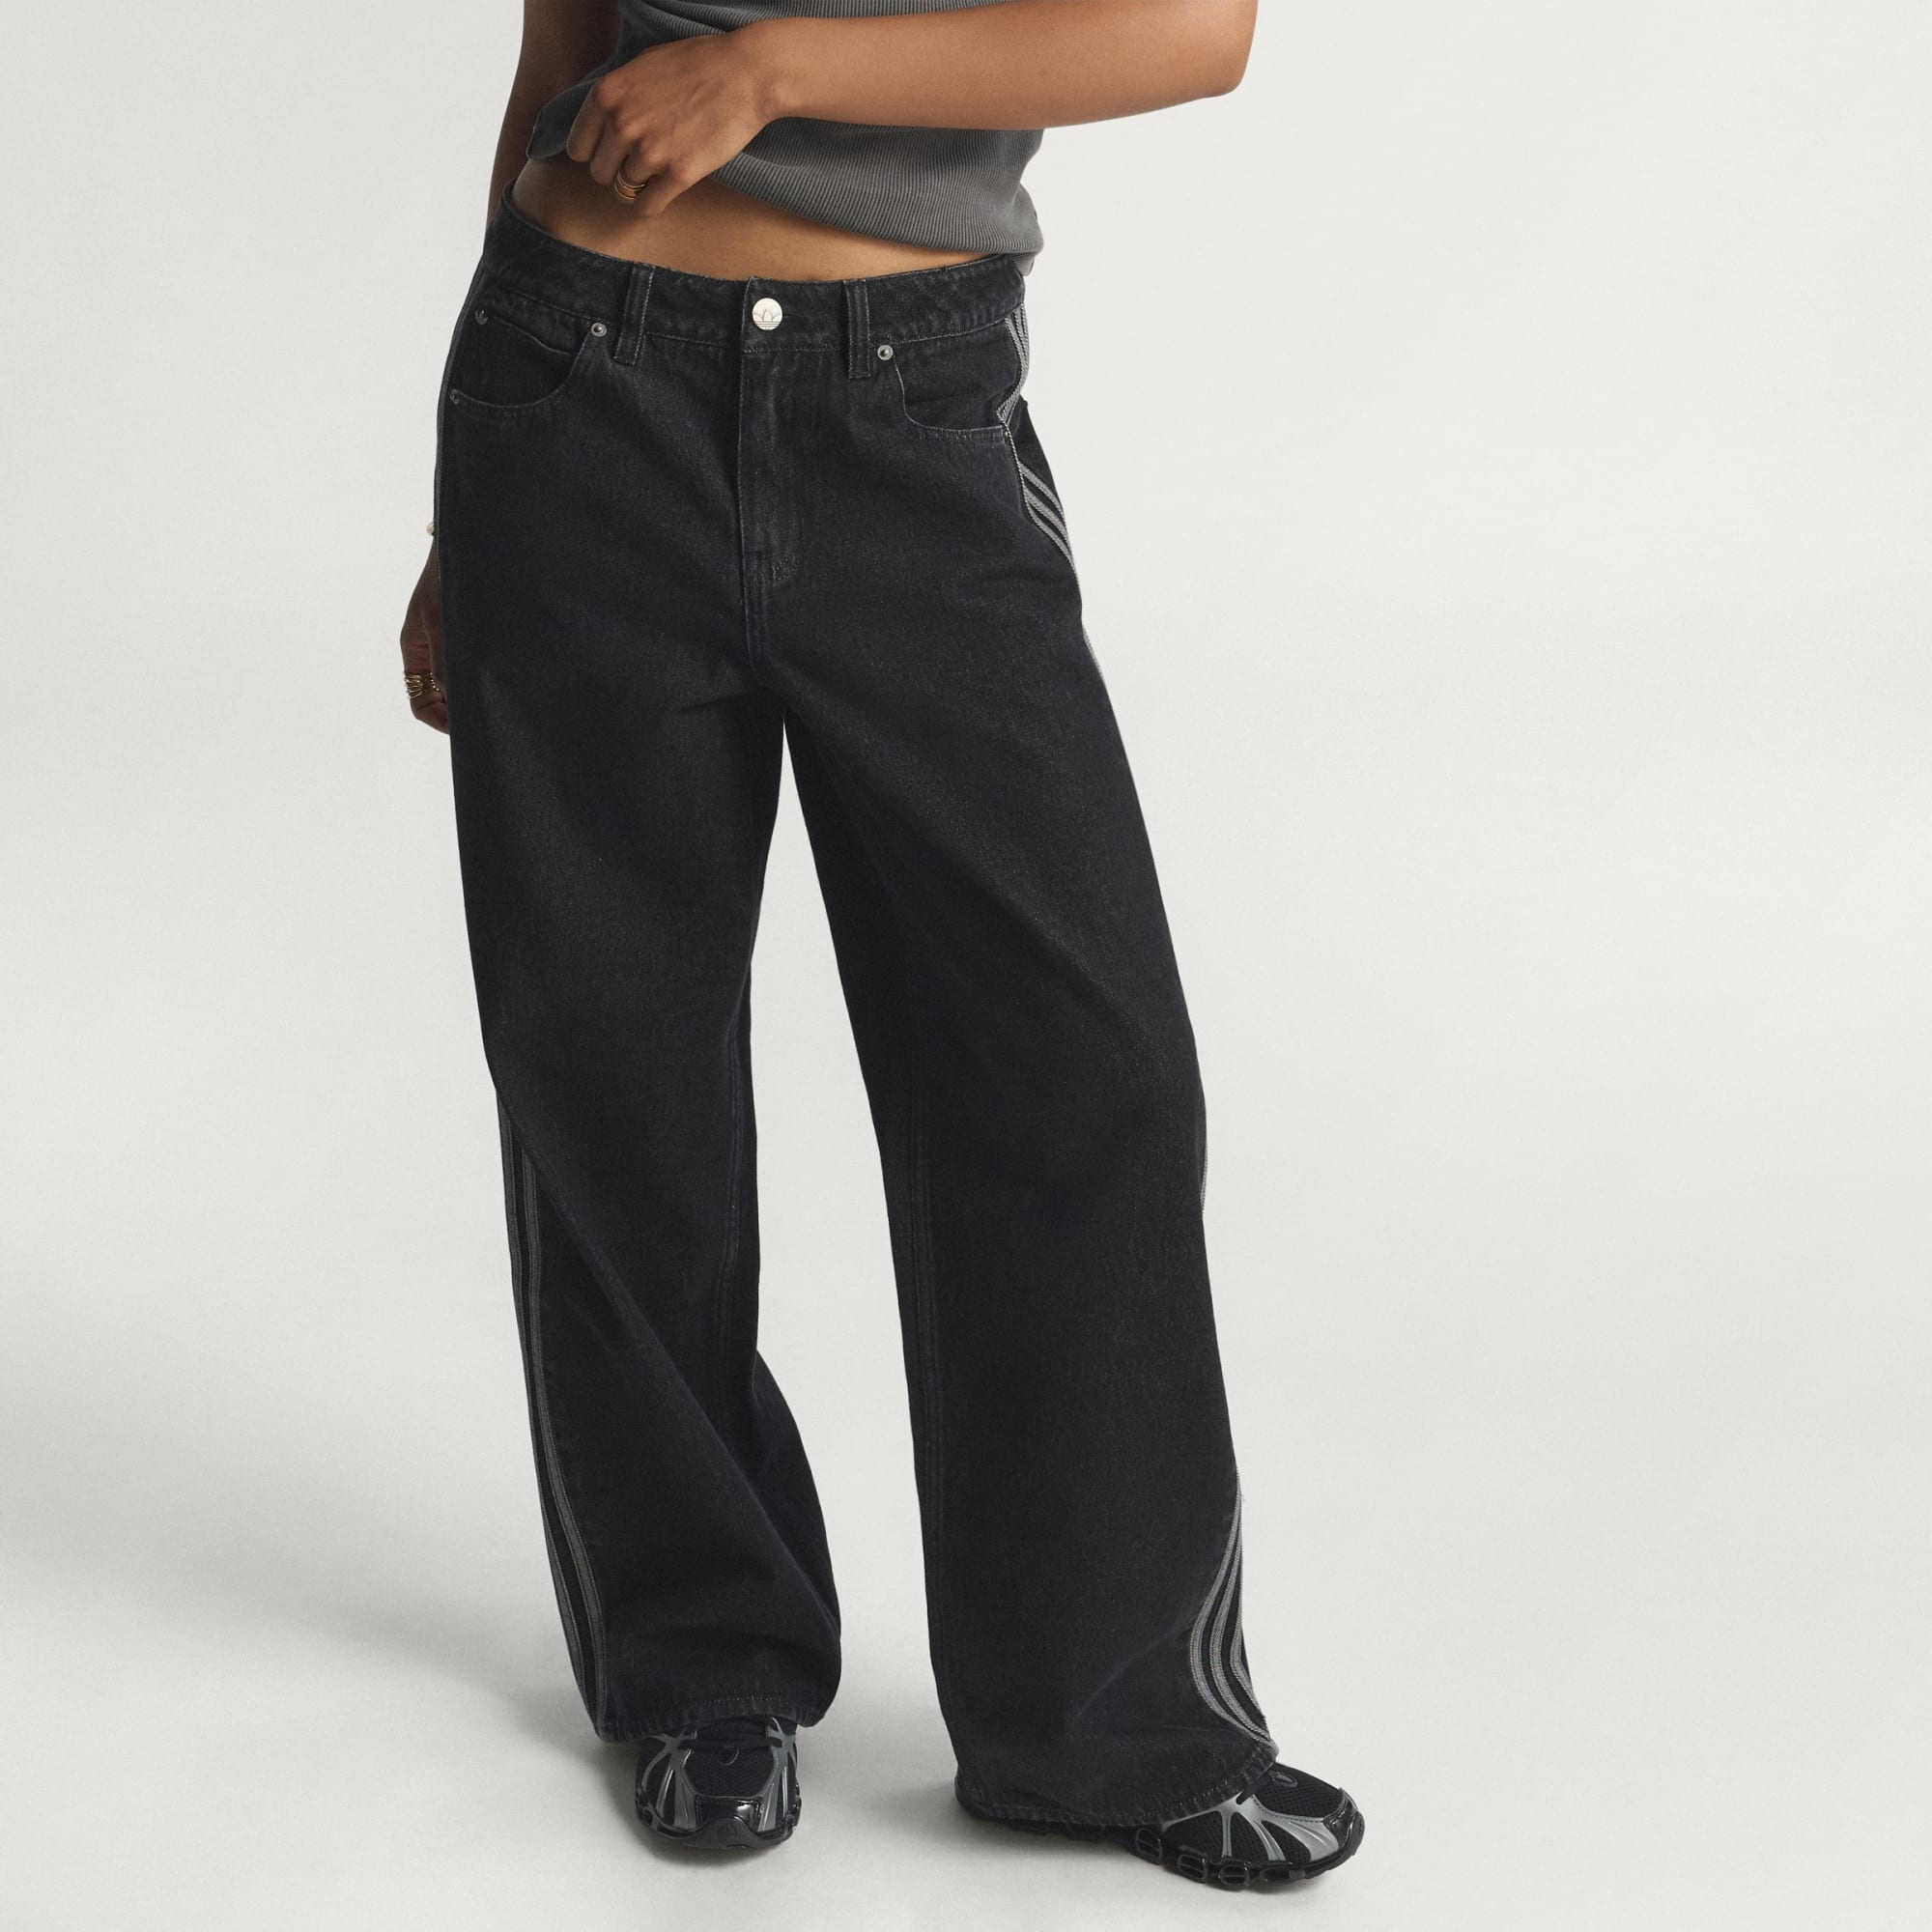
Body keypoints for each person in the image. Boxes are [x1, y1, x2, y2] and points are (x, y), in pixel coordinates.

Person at [397, 0, 1364, 1889]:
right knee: (614, 1081)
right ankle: (699, 1666)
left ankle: (1105, 1726)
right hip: (575, 386)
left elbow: (1195, 30)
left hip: (912, 405)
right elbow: (563, 52)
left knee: (1080, 1076)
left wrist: (774, 70)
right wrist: (465, 503)